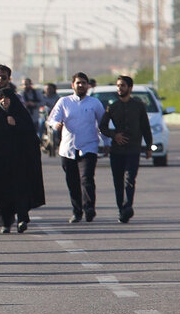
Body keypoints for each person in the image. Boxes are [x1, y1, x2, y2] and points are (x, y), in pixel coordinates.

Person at [0, 68, 46, 233]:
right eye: (1, 98)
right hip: (1, 162)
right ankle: (4, 222)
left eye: (7, 98)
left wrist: (16, 123)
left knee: (20, 190)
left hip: (19, 160)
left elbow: (30, 134)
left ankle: (22, 219)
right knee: (2, 192)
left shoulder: (19, 111)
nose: (4, 101)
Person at [49, 72, 104, 223]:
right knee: (72, 182)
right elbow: (53, 118)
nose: (81, 85)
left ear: (88, 86)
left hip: (89, 147)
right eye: (78, 83)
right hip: (68, 149)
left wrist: (107, 143)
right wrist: (56, 125)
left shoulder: (94, 103)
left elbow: (103, 124)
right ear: (73, 85)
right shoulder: (64, 102)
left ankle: (89, 208)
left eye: (83, 83)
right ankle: (77, 211)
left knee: (86, 178)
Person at [99, 74, 153, 223]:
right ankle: (121, 209)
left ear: (130, 88)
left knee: (130, 179)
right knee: (118, 181)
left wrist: (148, 147)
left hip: (133, 150)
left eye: (122, 85)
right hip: (117, 151)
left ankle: (128, 206)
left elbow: (145, 127)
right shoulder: (112, 106)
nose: (119, 88)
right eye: (118, 86)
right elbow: (102, 126)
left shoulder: (138, 106)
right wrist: (114, 135)